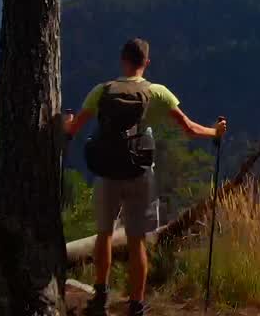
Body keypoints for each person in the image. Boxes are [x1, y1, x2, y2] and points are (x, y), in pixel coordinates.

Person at [65, 38, 226, 316]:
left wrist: (63, 123)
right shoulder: (158, 93)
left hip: (107, 173)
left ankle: (100, 295)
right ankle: (136, 305)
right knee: (137, 238)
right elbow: (188, 128)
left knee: (103, 235)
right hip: (140, 175)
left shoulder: (102, 91)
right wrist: (215, 133)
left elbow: (73, 129)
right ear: (146, 63)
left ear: (122, 60)